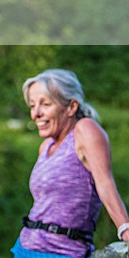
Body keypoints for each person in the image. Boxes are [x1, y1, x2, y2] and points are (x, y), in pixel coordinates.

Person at [12, 69, 129, 258]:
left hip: (63, 252)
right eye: (32, 106)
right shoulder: (45, 146)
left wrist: (125, 229)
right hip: (26, 248)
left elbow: (105, 183)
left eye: (45, 104)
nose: (36, 114)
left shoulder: (85, 130)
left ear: (71, 106)